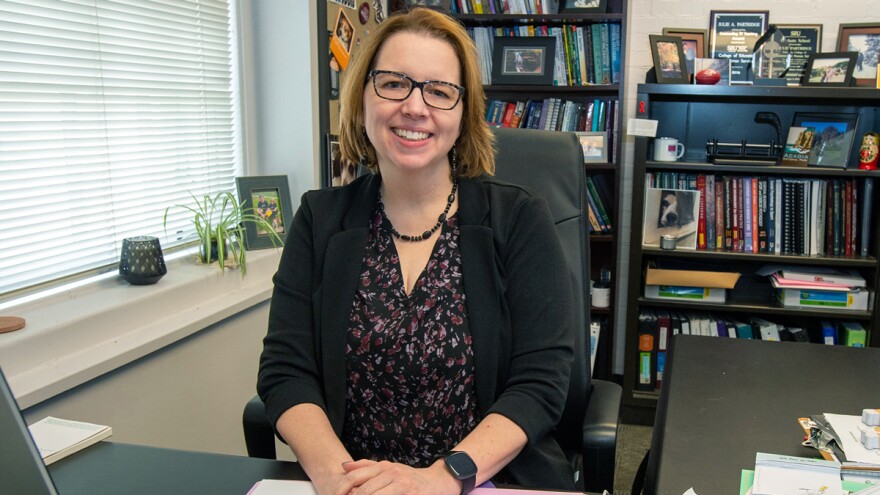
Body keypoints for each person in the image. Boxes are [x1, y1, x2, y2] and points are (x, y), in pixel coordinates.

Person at [257, 7, 575, 495]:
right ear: (363, 96)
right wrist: (336, 477)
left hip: (481, 481)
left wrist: (443, 478)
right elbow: (286, 370)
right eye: (393, 83)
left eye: (439, 91)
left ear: (462, 113)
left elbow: (540, 382)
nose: (415, 107)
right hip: (352, 484)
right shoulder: (319, 221)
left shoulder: (518, 220)